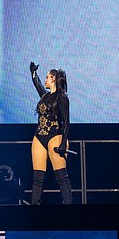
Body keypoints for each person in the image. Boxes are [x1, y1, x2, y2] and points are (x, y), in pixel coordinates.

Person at [29, 62, 72, 205]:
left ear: (53, 78)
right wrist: (34, 74)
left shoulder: (63, 98)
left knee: (61, 176)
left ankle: (68, 207)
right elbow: (38, 85)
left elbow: (66, 123)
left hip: (55, 136)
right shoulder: (45, 96)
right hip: (39, 137)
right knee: (37, 178)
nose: (46, 80)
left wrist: (62, 143)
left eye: (47, 77)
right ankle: (34, 209)